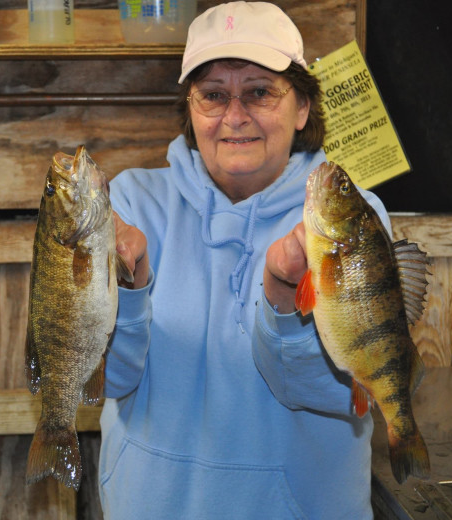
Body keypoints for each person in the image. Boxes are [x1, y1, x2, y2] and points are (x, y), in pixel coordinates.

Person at [101, 2, 391, 518]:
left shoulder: (348, 219)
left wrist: (284, 304)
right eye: (213, 95)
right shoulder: (129, 207)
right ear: (191, 110)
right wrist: (130, 288)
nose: (235, 117)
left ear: (302, 107)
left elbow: (342, 391)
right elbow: (104, 379)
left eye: (259, 92)